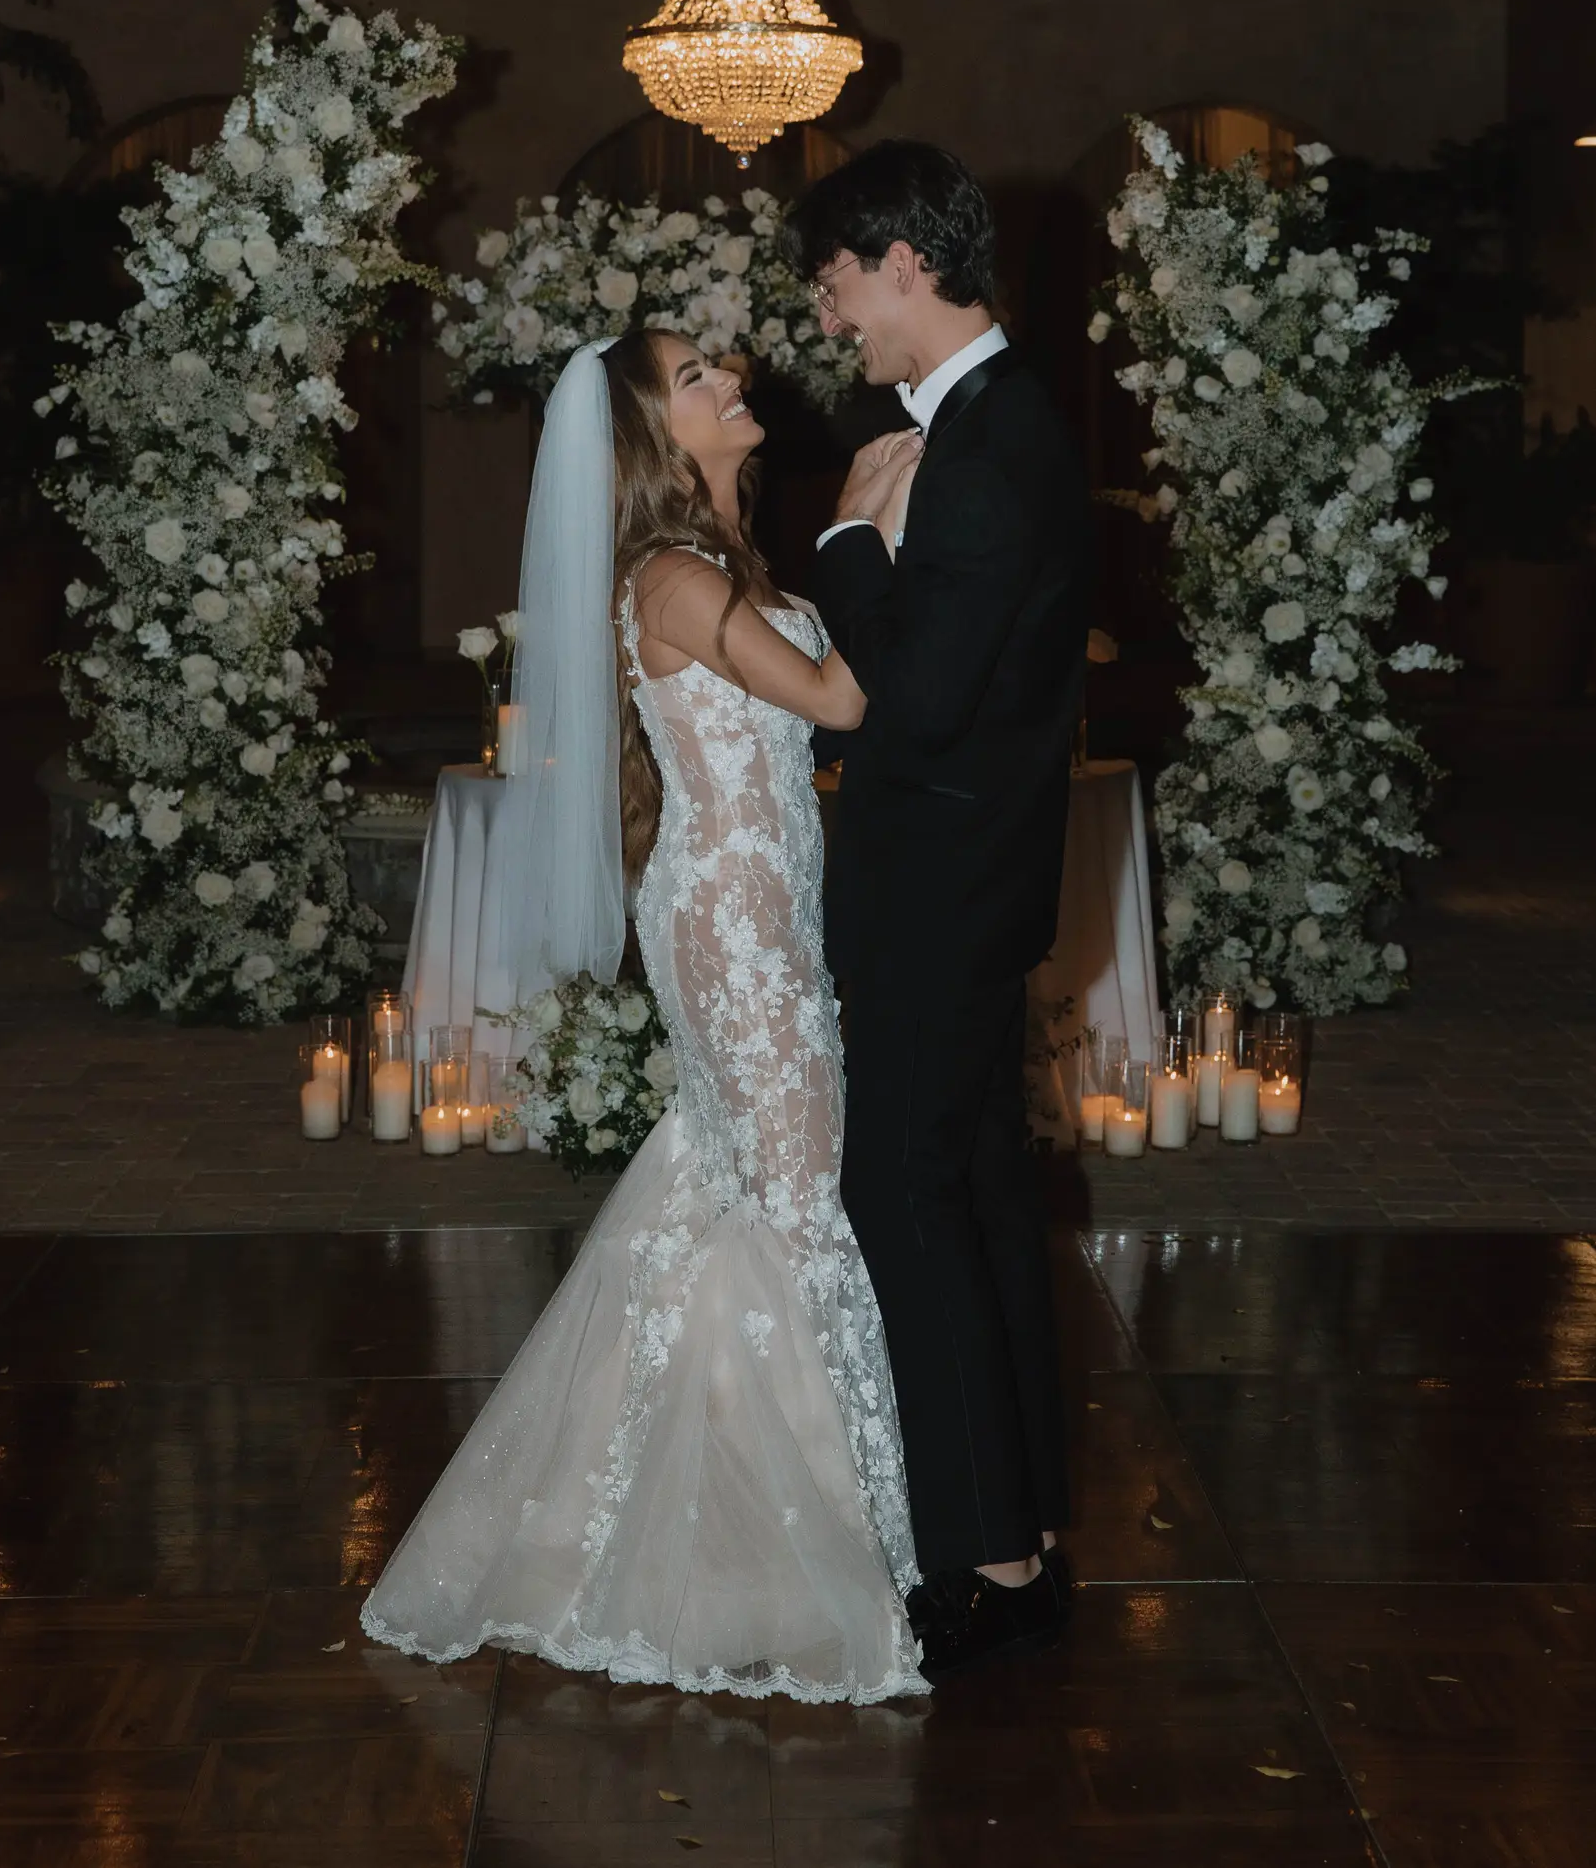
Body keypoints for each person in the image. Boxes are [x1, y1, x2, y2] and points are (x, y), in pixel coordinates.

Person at [361, 327, 928, 1702]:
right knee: (790, 1201)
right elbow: (844, 697)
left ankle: (652, 1509)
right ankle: (772, 1551)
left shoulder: (720, 564)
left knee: (730, 1189)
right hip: (731, 922)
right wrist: (869, 527)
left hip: (760, 909)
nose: (732, 377)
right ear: (655, 440)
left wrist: (854, 534)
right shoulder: (671, 576)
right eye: (696, 378)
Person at [780, 140, 1089, 1682]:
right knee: (968, 1199)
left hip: (936, 895)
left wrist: (842, 541)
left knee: (904, 1198)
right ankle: (1020, 1533)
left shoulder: (977, 447)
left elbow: (915, 696)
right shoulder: (995, 427)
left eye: (835, 289)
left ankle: (990, 1559)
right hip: (968, 886)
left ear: (902, 257)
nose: (832, 323)